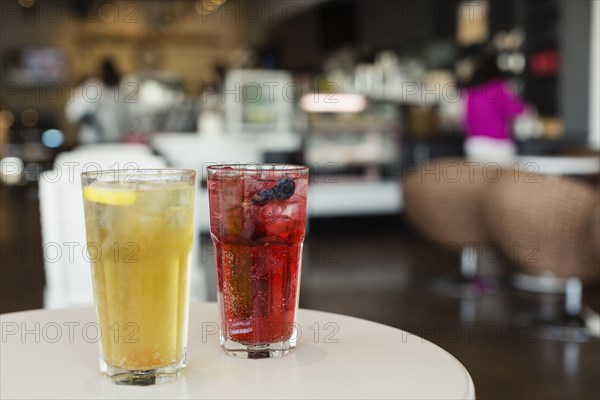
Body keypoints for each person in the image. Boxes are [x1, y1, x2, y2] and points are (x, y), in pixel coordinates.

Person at [461, 51, 527, 163]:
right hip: (498, 146)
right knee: (503, 180)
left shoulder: (470, 91)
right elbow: (518, 110)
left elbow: (464, 121)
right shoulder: (500, 88)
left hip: (474, 145)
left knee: (478, 180)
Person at [66, 59, 124, 144]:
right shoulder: (92, 90)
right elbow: (72, 112)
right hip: (92, 141)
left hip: (115, 139)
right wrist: (88, 118)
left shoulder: (120, 91)